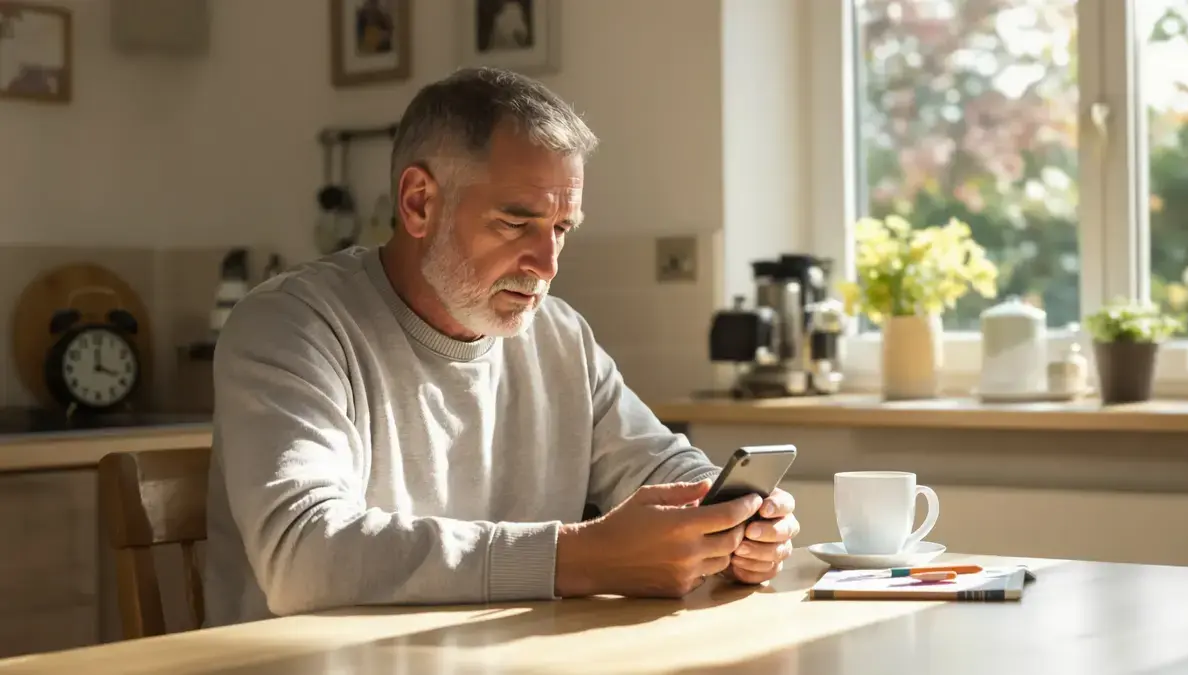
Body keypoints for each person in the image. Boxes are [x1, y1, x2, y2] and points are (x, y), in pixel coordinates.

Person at [202, 66, 800, 627]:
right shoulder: (291, 326)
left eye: (561, 229)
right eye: (516, 224)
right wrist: (577, 557)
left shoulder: (561, 338)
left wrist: (737, 526)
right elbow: (301, 555)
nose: (547, 264)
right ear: (418, 203)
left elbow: (665, 469)